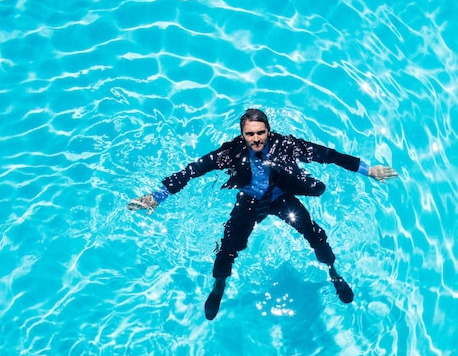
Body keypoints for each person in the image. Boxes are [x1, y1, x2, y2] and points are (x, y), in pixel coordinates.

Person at [127, 108, 398, 320]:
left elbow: (327, 154)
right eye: (250, 134)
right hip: (250, 201)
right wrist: (157, 197)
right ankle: (218, 287)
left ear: (269, 130)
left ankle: (334, 273)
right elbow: (192, 170)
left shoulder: (287, 145)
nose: (256, 139)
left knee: (316, 236)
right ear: (242, 135)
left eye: (261, 132)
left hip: (281, 197)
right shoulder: (230, 153)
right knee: (226, 249)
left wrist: (366, 169)